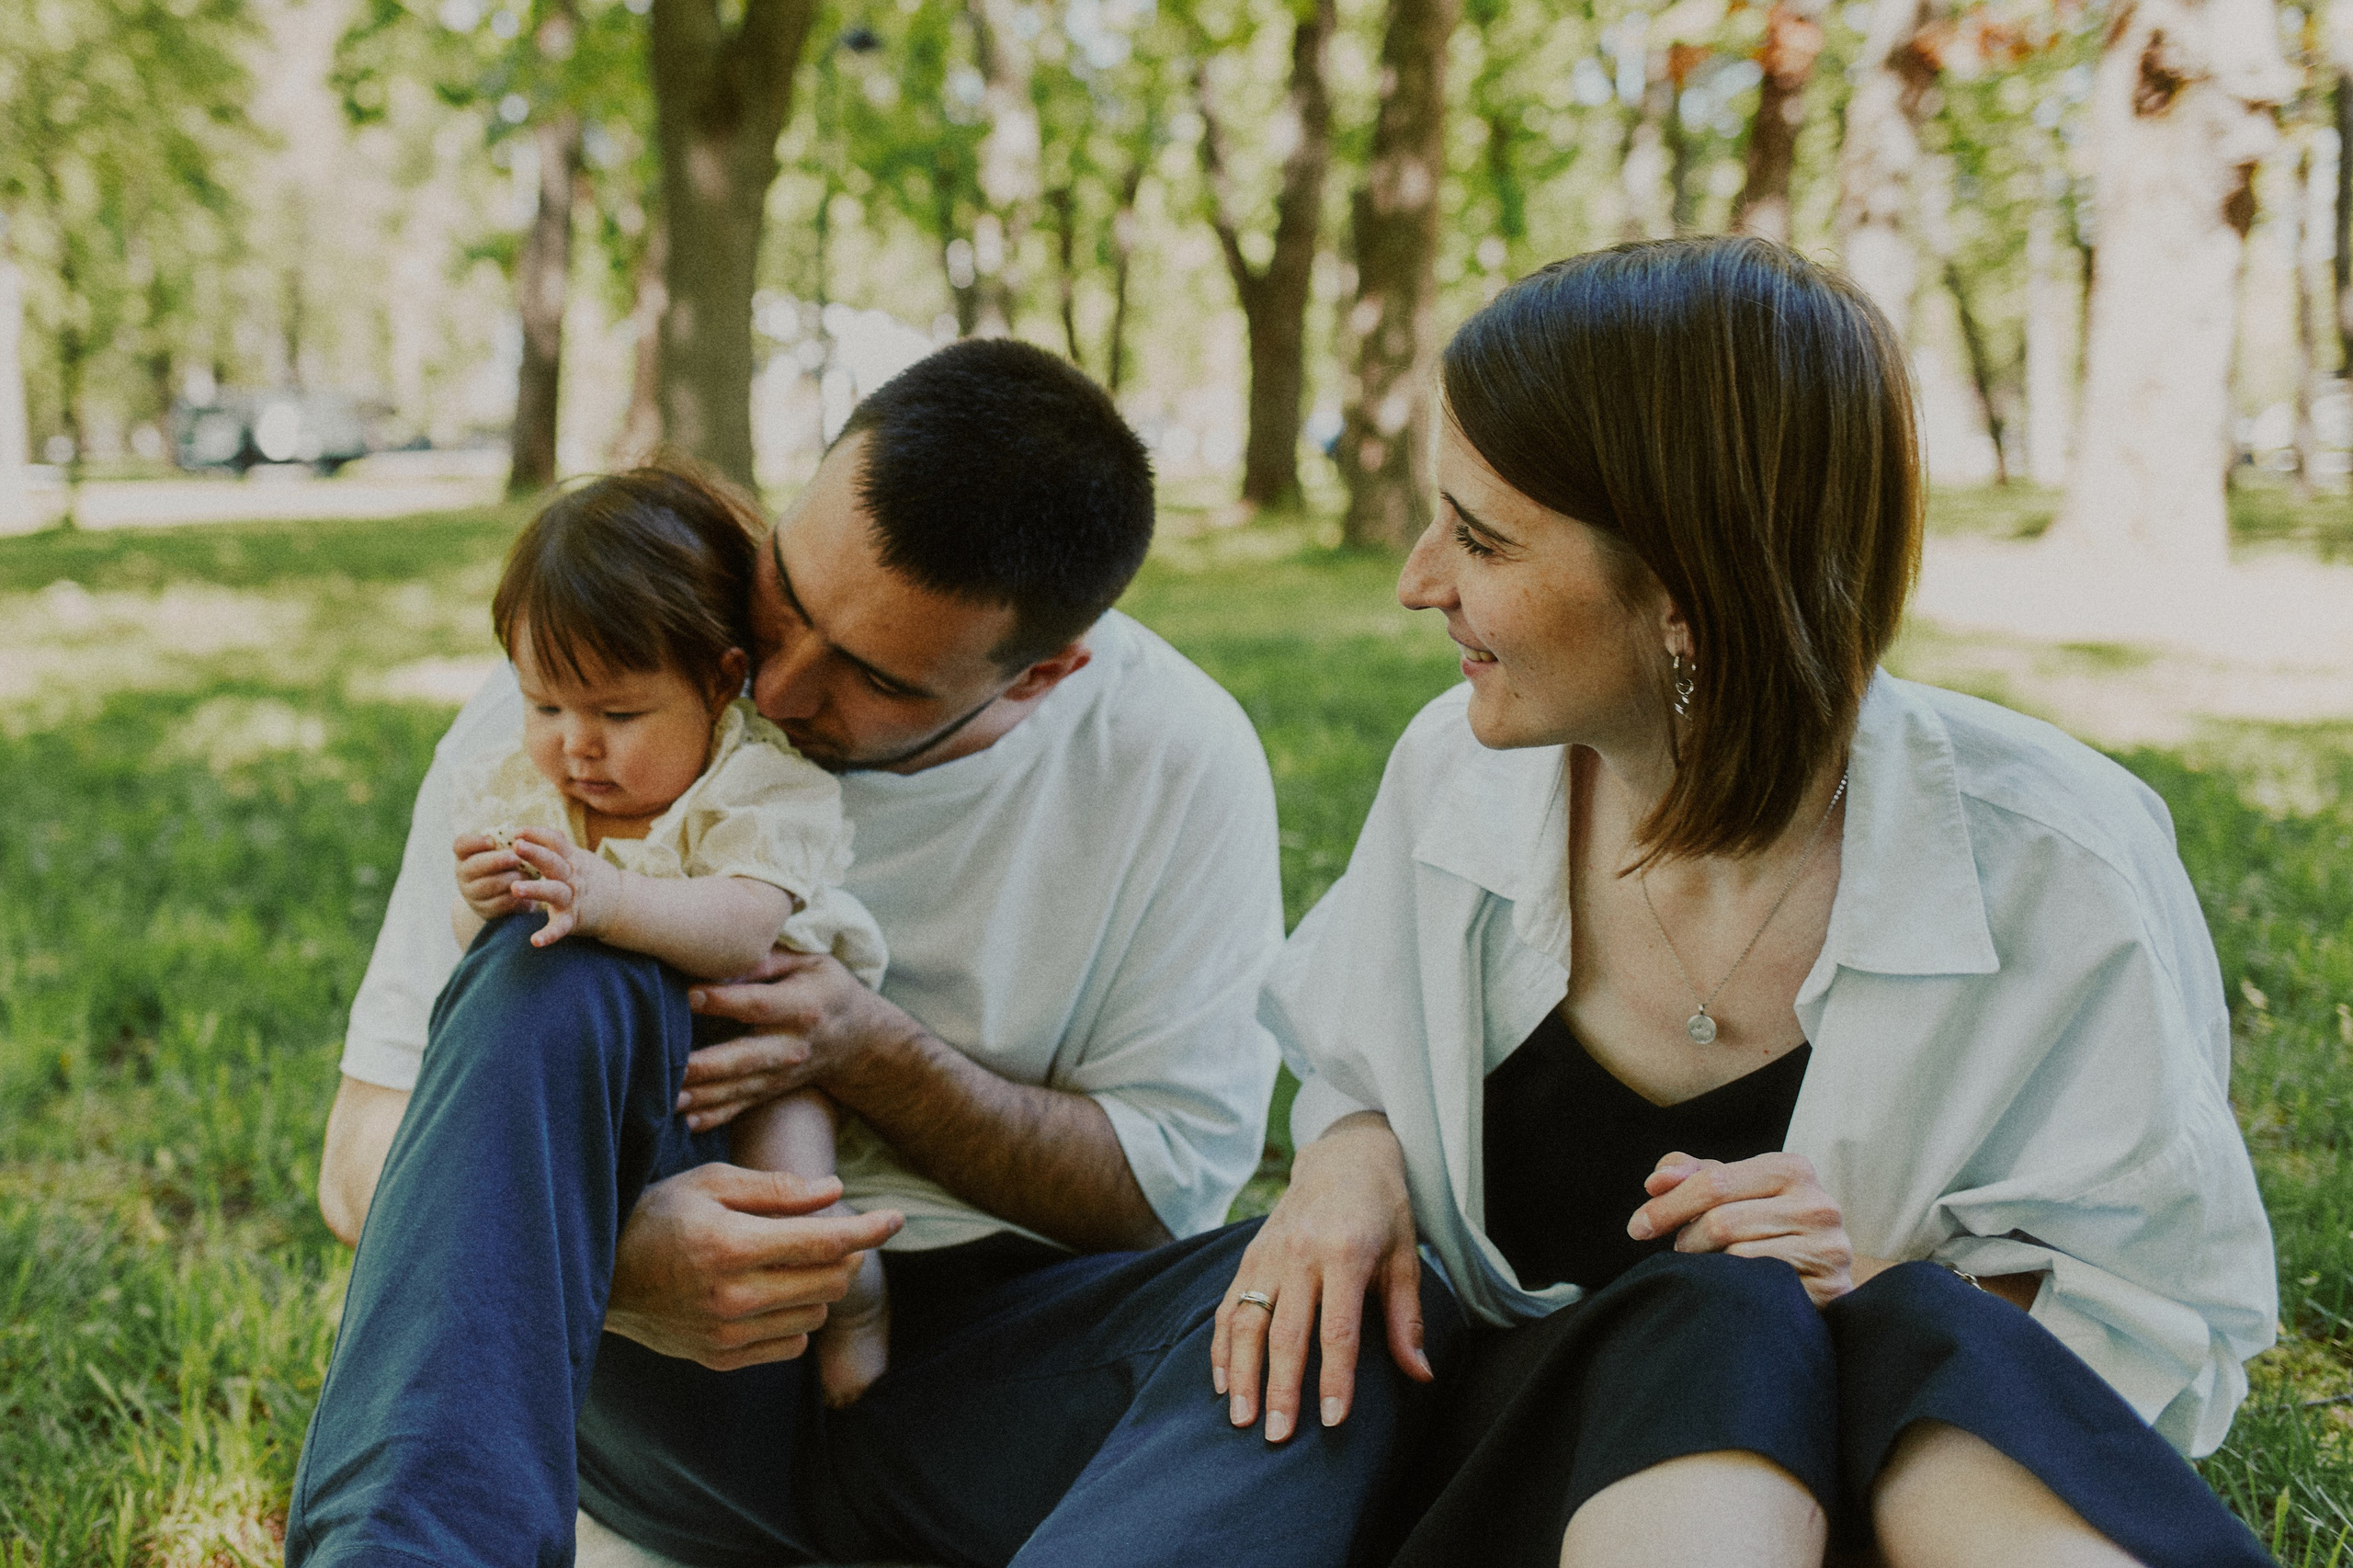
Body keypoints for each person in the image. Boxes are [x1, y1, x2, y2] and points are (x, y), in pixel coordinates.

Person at [1215, 239, 2279, 1567]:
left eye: (1481, 537)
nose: (1420, 578)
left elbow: (2161, 1325)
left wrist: (1868, 1297)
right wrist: (1348, 1150)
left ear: (1685, 599)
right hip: (1527, 1484)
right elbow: (1352, 1052)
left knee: (1918, 1333)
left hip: (1901, 1508)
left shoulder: (2060, 863)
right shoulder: (1456, 776)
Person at [289, 339, 1420, 1568]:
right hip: (656, 1367)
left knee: (1327, 1312)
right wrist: (625, 1267)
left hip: (985, 1374)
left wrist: (865, 1048)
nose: (772, 684)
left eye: (872, 674)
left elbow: (1160, 1191)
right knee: (559, 945)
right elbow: (361, 1158)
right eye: (786, 591)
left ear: (1041, 675)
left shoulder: (1177, 757)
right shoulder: (583, 717)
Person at [443, 468, 893, 1406]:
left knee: (797, 1212)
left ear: (719, 680)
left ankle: (854, 1307)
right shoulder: (525, 791)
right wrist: (480, 901)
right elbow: (483, 969)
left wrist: (607, 896)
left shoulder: (754, 784)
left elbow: (739, 930)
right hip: (616, 1071)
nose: (577, 745)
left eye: (617, 713)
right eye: (545, 706)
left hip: (756, 1054)